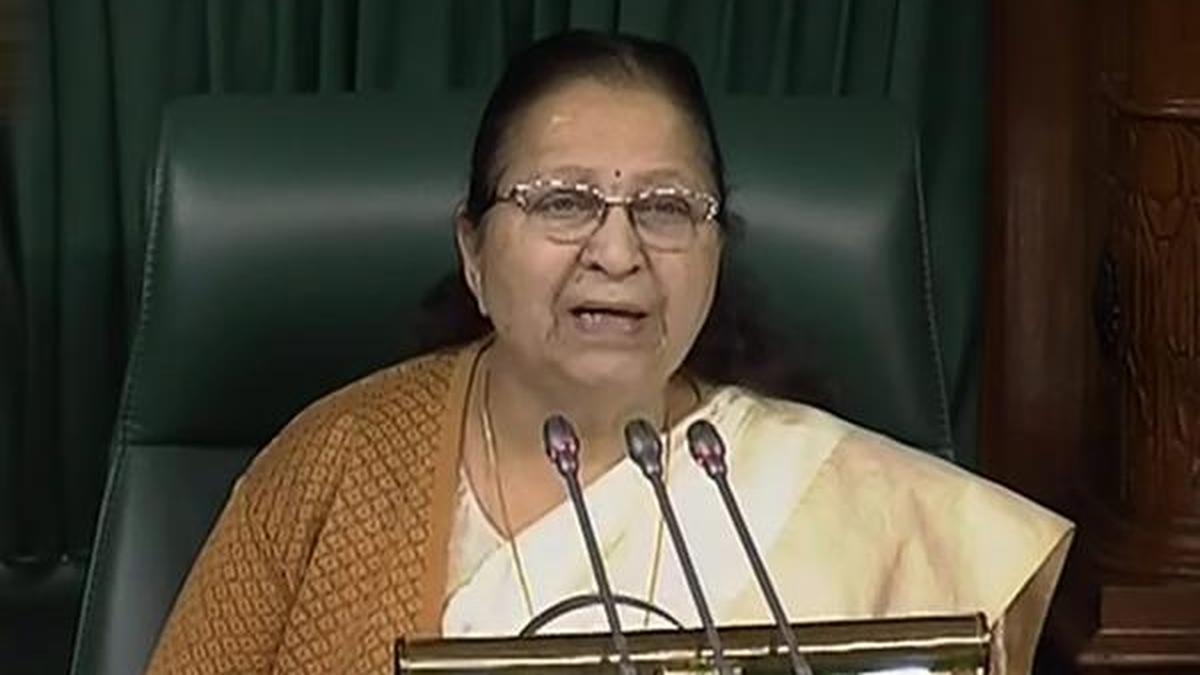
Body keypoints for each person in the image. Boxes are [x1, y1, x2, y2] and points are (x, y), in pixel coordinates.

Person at [146, 30, 1071, 674]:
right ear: (472, 250)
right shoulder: (336, 462)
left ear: (717, 251)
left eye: (666, 209)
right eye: (563, 201)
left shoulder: (850, 503)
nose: (619, 252)